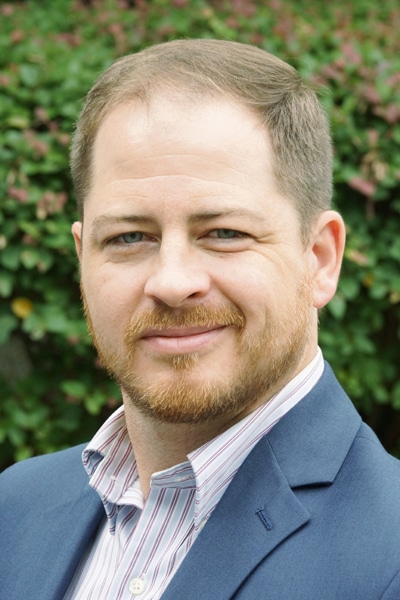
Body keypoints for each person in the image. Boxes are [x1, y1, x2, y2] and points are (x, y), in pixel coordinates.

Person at [1, 39, 400, 600]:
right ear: (81, 255)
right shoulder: (12, 511)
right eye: (128, 237)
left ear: (320, 258)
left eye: (225, 233)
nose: (171, 281)